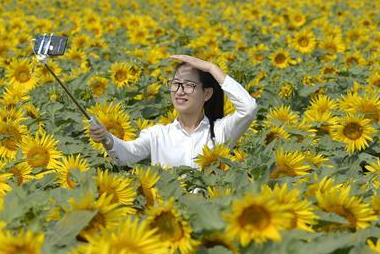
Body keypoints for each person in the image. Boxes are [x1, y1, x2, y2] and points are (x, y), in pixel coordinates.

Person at [88, 54, 258, 169]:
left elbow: (248, 108)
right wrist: (106, 138)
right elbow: (127, 155)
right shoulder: (157, 135)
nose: (180, 91)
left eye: (189, 85)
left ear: (206, 93)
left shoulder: (220, 132)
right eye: (176, 84)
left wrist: (212, 68)